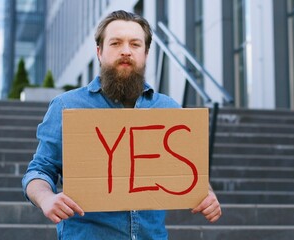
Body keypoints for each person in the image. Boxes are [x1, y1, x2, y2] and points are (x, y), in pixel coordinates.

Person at [22, 10, 222, 239]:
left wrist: (207, 194)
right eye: (116, 43)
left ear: (146, 53)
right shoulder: (67, 106)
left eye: (135, 44)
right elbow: (39, 170)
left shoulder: (169, 110)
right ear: (99, 52)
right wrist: (47, 199)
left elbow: (192, 174)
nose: (126, 51)